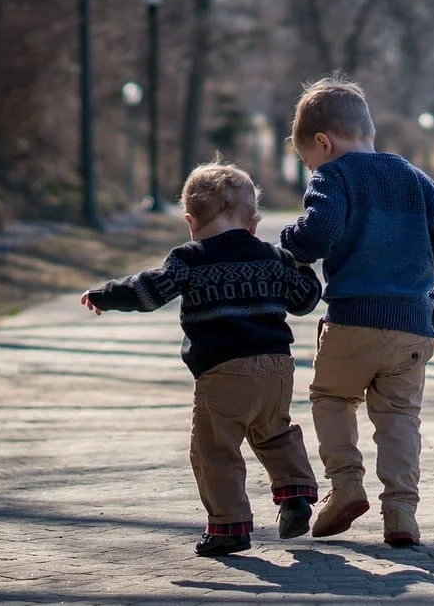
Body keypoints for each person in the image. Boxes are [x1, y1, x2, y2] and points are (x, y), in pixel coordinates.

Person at [80, 160, 322, 557]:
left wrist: (107, 295)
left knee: (215, 449)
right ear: (253, 221)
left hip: (223, 370)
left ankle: (229, 526)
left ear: (190, 221)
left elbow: (149, 292)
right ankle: (295, 495)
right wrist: (304, 266)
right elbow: (304, 300)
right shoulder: (272, 257)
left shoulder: (189, 259)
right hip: (277, 368)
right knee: (275, 432)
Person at [280, 76, 434, 547]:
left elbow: (317, 233)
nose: (311, 168)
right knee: (400, 416)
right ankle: (401, 512)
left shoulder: (333, 176)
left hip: (353, 321)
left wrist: (290, 242)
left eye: (307, 161)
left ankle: (345, 486)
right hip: (411, 327)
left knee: (332, 398)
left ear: (324, 142)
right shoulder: (417, 179)